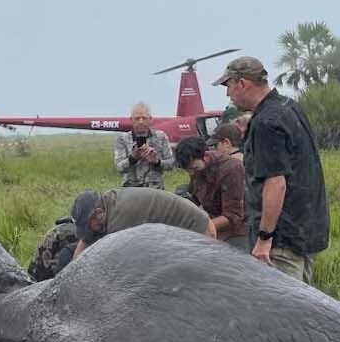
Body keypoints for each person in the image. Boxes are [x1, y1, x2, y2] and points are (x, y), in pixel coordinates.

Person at [212, 55, 329, 282]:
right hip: (307, 227)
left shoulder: (266, 122)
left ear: (242, 83)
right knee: (304, 306)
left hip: (282, 238)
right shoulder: (289, 107)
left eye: (228, 86)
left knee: (282, 312)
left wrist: (265, 238)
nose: (228, 94)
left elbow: (276, 183)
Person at [69, 186, 214, 258]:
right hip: (178, 230)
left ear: (99, 214)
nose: (89, 231)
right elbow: (87, 239)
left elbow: (116, 264)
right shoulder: (105, 201)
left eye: (88, 226)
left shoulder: (120, 221)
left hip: (198, 230)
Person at [174, 136, 249, 251]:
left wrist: (197, 228)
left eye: (194, 168)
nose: (191, 173)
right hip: (212, 224)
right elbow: (194, 199)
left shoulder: (231, 169)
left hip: (236, 231)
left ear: (204, 156)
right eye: (188, 170)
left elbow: (233, 216)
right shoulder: (196, 168)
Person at [113, 102, 174, 188]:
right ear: (131, 120)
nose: (141, 122)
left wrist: (157, 162)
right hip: (131, 188)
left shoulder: (160, 137)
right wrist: (133, 158)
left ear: (150, 119)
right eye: (137, 118)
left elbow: (171, 164)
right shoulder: (122, 139)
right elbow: (119, 168)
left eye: (144, 118)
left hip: (155, 189)